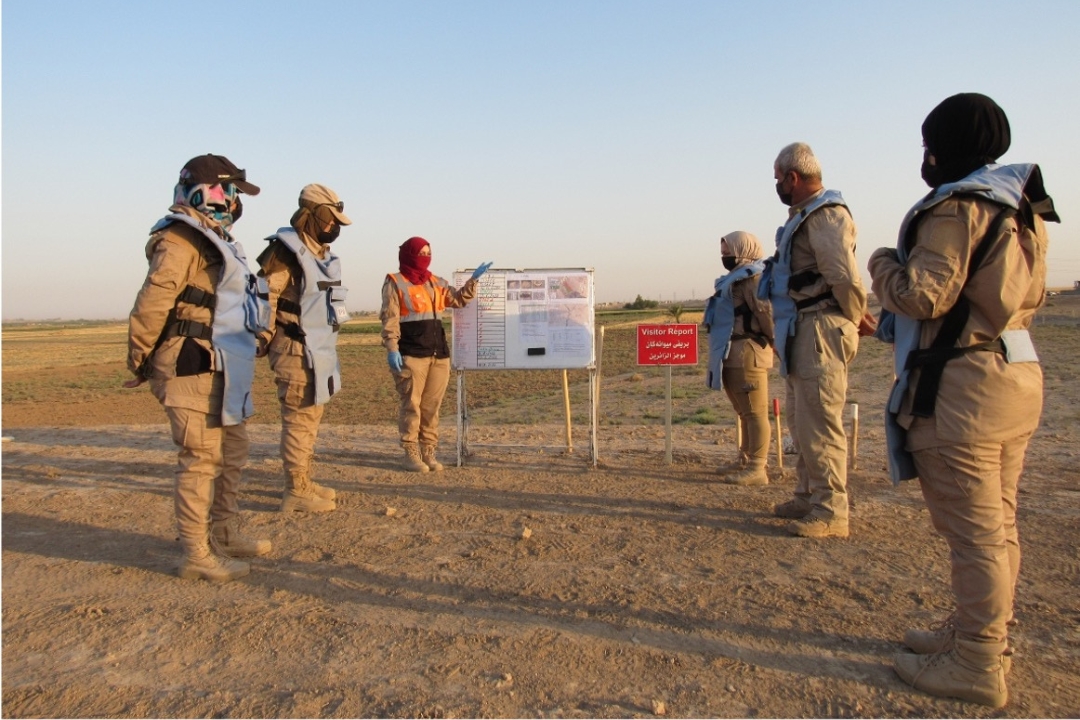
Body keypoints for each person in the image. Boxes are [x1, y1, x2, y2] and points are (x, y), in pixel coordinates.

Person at [868, 93, 1057, 708]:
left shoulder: (956, 207)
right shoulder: (1019, 204)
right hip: (1012, 374)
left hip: (962, 391)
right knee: (997, 523)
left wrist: (882, 266)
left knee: (974, 533)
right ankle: (983, 633)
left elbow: (924, 296)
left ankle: (977, 659)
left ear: (942, 144)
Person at [126, 154, 271, 582]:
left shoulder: (220, 241)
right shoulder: (180, 239)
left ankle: (224, 532)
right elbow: (153, 301)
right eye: (228, 190)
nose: (232, 201)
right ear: (204, 191)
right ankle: (196, 553)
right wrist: (139, 356)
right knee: (201, 457)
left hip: (227, 362)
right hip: (191, 361)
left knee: (232, 453)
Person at [758, 142, 871, 538]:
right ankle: (808, 494)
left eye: (777, 179)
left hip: (821, 327)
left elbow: (843, 277)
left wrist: (851, 319)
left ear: (793, 177)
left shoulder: (826, 216)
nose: (777, 186)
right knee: (800, 420)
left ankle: (831, 510)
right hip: (799, 329)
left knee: (820, 420)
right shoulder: (802, 217)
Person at [256, 184, 352, 513]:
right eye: (329, 219)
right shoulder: (285, 252)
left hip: (318, 351)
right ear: (310, 215)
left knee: (310, 417)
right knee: (299, 419)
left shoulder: (320, 256)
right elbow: (264, 296)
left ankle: (304, 481)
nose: (333, 227)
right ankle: (295, 490)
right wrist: (262, 336)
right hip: (294, 348)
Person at [380, 237, 491, 472]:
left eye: (428, 252)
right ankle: (411, 452)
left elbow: (457, 300)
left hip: (438, 355)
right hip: (411, 355)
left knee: (431, 407)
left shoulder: (437, 282)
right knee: (412, 404)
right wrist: (392, 348)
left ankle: (428, 451)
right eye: (421, 253)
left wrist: (473, 281)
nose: (425, 257)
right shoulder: (395, 283)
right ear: (409, 254)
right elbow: (389, 319)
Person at [703, 231, 774, 485]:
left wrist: (776, 341)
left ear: (744, 250)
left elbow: (766, 313)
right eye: (723, 253)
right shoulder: (732, 279)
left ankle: (758, 467)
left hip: (749, 351)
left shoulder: (754, 278)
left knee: (755, 412)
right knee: (743, 411)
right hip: (730, 352)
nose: (725, 257)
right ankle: (745, 458)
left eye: (729, 252)